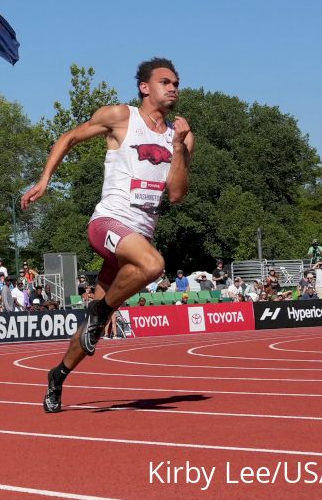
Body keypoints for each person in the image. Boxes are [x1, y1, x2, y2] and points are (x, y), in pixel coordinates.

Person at [21, 57, 193, 413]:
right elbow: (69, 137)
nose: (173, 87)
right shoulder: (120, 117)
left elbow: (176, 195)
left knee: (92, 330)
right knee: (154, 264)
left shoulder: (182, 135)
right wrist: (44, 180)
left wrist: (179, 146)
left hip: (138, 237)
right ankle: (102, 308)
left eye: (176, 83)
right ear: (145, 87)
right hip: (109, 223)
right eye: (166, 82)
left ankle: (58, 376)